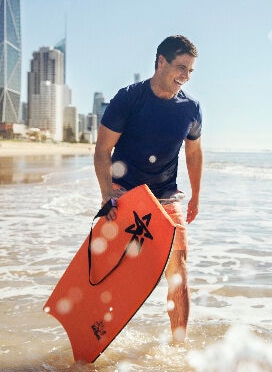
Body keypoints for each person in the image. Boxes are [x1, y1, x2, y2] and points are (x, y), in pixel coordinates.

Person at [94, 35, 203, 343]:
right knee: (113, 270)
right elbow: (103, 150)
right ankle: (97, 338)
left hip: (166, 198)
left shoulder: (191, 109)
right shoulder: (129, 98)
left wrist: (195, 194)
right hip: (125, 193)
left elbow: (193, 153)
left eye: (191, 71)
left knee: (178, 272)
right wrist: (107, 194)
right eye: (180, 67)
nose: (185, 76)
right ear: (160, 62)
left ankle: (178, 345)